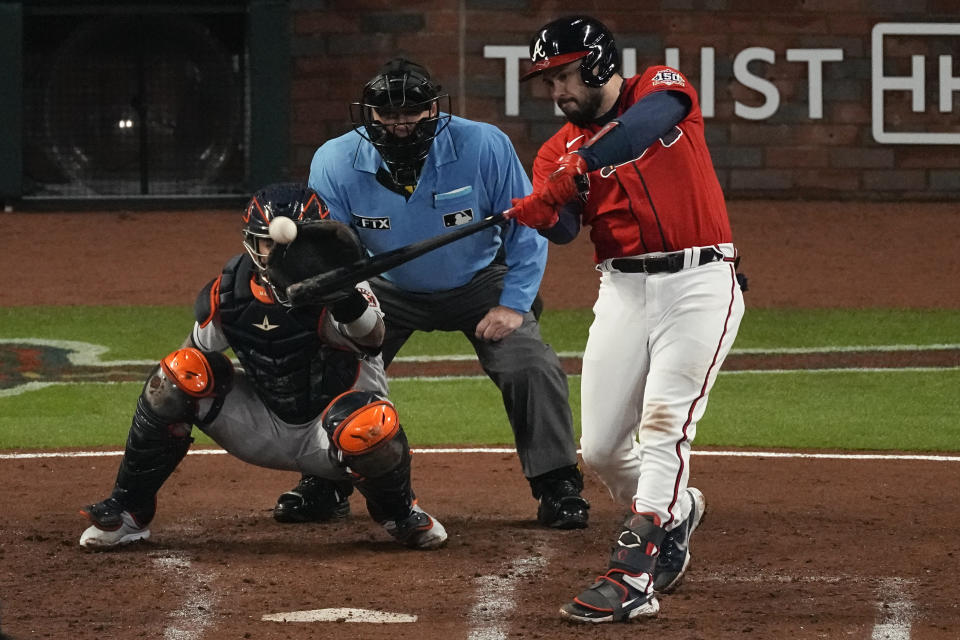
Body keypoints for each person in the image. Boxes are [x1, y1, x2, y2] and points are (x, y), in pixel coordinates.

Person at [276, 56, 589, 530]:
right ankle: (325, 481)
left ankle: (558, 485)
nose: (400, 124)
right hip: (384, 286)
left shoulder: (484, 146)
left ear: (434, 109)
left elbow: (527, 230)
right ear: (370, 114)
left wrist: (514, 304)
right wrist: (350, 309)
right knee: (333, 360)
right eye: (388, 114)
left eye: (413, 112)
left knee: (530, 363)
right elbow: (334, 253)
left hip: (479, 280)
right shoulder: (335, 161)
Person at [510, 16, 746, 623]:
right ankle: (677, 509)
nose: (556, 91)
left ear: (594, 64)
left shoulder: (658, 89)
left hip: (699, 284)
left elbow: (640, 128)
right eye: (547, 80)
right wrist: (538, 210)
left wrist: (578, 167)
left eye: (563, 75)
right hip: (622, 292)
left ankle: (633, 576)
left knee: (666, 426)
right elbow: (565, 230)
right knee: (604, 449)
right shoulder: (553, 151)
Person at [78, 183, 447, 551]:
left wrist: (341, 296)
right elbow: (182, 373)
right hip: (258, 428)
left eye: (293, 247)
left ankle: (399, 513)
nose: (278, 256)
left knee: (365, 423)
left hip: (334, 439)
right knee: (177, 373)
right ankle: (128, 511)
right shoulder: (230, 291)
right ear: (252, 244)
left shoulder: (346, 288)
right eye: (268, 244)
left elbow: (372, 338)